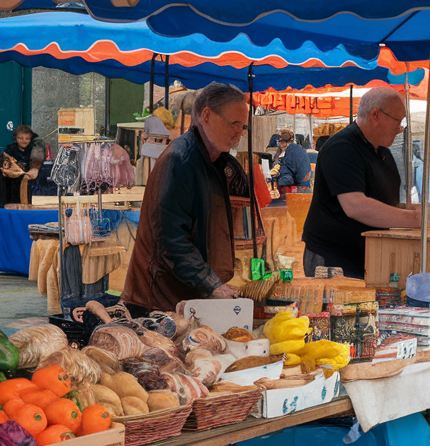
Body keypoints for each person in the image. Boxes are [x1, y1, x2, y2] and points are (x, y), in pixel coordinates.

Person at [124, 83, 253, 313]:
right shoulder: (180, 160)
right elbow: (172, 239)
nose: (240, 132)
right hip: (158, 299)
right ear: (206, 116)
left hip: (186, 295)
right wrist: (211, 284)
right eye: (234, 124)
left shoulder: (213, 160)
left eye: (243, 126)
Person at [302, 89, 430, 278]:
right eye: (398, 120)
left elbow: (383, 203)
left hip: (367, 256)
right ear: (375, 115)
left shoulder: (382, 152)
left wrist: (414, 209)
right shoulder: (342, 148)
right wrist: (417, 219)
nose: (400, 128)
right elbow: (356, 206)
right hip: (334, 260)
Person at [0, 125, 44, 208]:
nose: (24, 141)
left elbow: (37, 160)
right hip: (11, 184)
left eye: (27, 138)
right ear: (16, 138)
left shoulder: (34, 149)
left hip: (28, 181)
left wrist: (34, 169)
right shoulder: (10, 149)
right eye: (20, 138)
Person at [271, 127, 312, 194]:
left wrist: (279, 181)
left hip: (294, 191)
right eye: (282, 142)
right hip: (302, 189)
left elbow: (288, 177)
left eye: (289, 142)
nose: (285, 145)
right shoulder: (299, 150)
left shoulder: (291, 153)